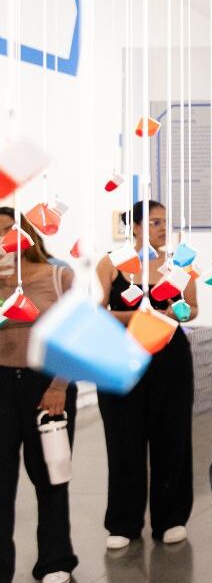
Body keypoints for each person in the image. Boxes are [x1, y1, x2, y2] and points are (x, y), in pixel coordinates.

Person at [95, 199, 199, 550]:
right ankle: (123, 521)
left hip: (169, 359)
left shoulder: (176, 264)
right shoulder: (110, 264)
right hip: (120, 358)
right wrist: (141, 317)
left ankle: (171, 518)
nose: (161, 228)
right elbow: (96, 312)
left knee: (172, 438)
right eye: (154, 222)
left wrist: (174, 312)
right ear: (135, 226)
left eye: (164, 222)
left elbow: (192, 308)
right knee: (123, 439)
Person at [0, 211, 77, 583]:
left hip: (47, 383)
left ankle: (55, 560)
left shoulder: (58, 276)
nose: (2, 240)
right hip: (1, 383)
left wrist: (59, 386)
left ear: (27, 236)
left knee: (50, 476)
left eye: (7, 232)